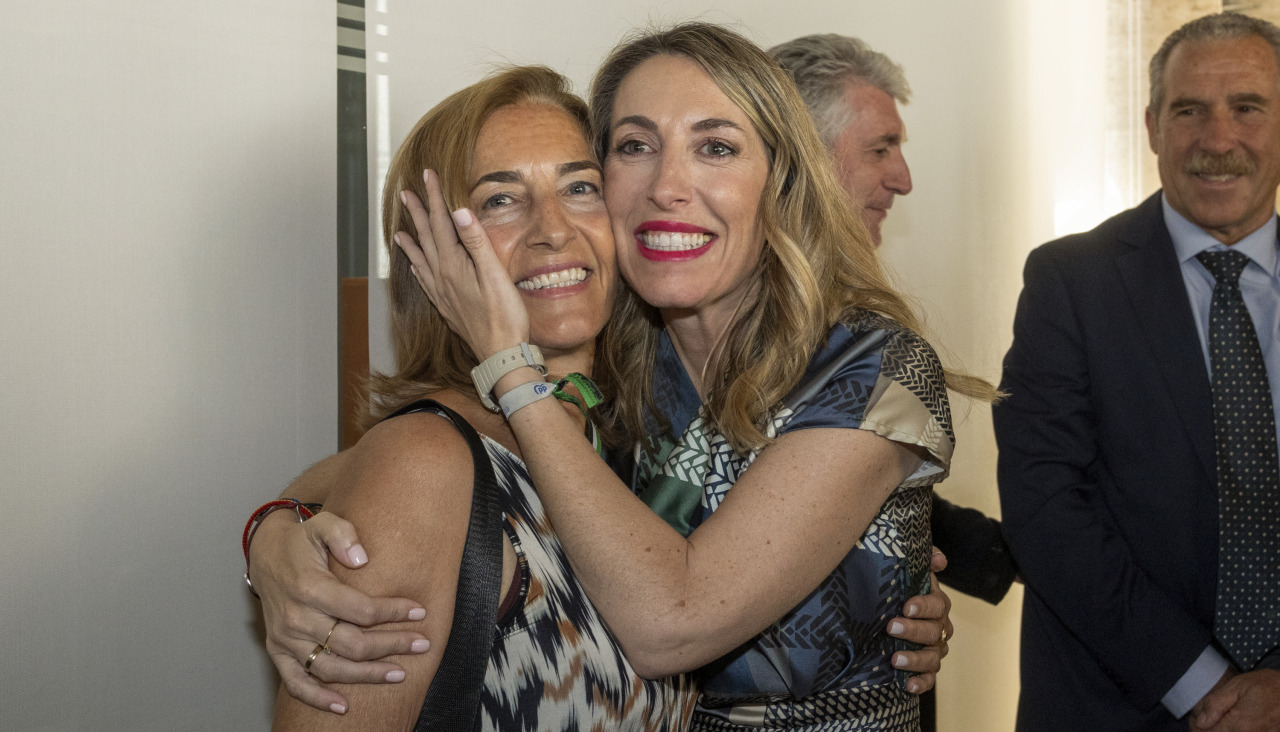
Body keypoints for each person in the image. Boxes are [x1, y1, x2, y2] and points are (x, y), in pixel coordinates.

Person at [248, 28, 956, 729]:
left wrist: (510, 368)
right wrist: (273, 534)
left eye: (716, 147)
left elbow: (672, 619)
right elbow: (409, 463)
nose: (667, 186)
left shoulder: (860, 366)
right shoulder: (626, 377)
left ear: (784, 178)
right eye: (635, 147)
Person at [266, 64, 701, 730]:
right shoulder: (425, 461)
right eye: (499, 200)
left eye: (579, 187)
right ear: (430, 255)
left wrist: (269, 522)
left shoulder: (621, 431)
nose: (553, 229)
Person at [993, 12, 1280, 731]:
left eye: (1247, 108)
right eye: (1189, 111)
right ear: (1152, 126)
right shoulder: (1069, 282)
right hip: (1116, 706)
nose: (1218, 139)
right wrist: (1206, 686)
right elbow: (1045, 506)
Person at [770, 33, 1018, 609]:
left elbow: (841, 485)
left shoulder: (842, 315)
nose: (903, 178)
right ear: (801, 152)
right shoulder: (709, 312)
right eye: (880, 149)